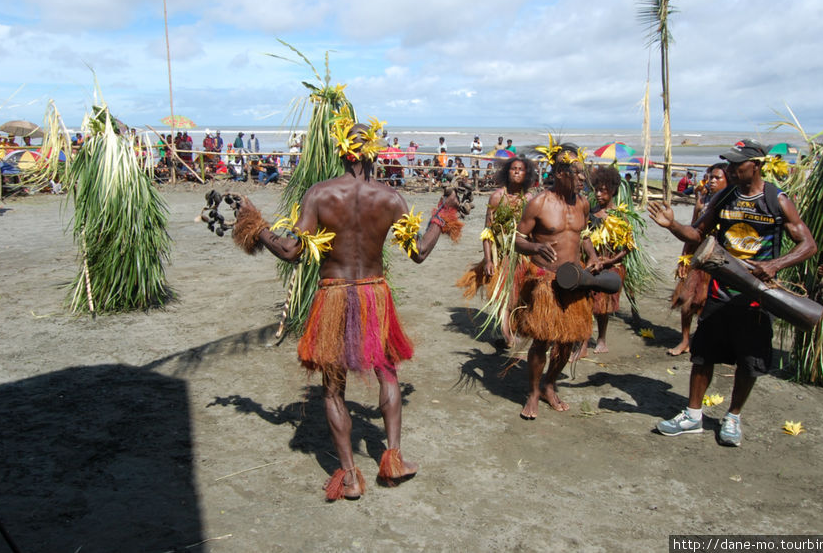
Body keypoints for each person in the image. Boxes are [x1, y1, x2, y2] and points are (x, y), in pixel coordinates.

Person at [228, 117, 463, 500]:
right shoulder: (390, 199)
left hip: (334, 294)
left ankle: (351, 478)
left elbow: (291, 251)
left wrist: (257, 226)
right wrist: (442, 215)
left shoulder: (320, 195)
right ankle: (394, 459)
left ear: (340, 149)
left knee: (334, 389)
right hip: (375, 294)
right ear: (372, 150)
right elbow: (418, 252)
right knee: (388, 374)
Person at [647, 139, 817, 446]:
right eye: (729, 163)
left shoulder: (776, 200)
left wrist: (775, 265)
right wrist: (672, 226)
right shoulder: (725, 196)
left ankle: (733, 417)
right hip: (720, 290)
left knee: (748, 360)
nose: (730, 169)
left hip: (757, 296)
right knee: (702, 355)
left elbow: (808, 245)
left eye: (737, 164)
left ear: (756, 165)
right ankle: (693, 415)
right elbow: (698, 233)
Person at [513, 143, 599, 419]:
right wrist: (535, 248)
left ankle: (550, 385)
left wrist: (594, 256)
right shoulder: (539, 203)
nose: (582, 177)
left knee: (568, 341)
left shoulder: (582, 203)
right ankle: (533, 392)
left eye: (583, 172)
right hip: (546, 282)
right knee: (542, 341)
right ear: (560, 172)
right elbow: (516, 239)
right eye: (577, 172)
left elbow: (583, 236)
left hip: (575, 282)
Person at [457, 156, 538, 345]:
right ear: (507, 172)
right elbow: (488, 232)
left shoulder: (529, 199)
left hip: (524, 257)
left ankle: (513, 328)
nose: (517, 171)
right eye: (513, 168)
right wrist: (488, 260)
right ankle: (506, 333)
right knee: (505, 295)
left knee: (521, 296)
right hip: (502, 255)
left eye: (521, 169)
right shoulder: (497, 197)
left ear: (526, 175)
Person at [668, 163, 729, 356]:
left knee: (708, 304)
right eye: (710, 177)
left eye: (717, 178)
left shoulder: (730, 204)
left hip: (719, 260)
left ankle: (701, 340)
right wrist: (684, 258)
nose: (711, 181)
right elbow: (692, 231)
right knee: (686, 299)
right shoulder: (702, 202)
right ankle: (685, 339)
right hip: (698, 257)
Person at [577, 166, 633, 357]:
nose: (599, 194)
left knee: (603, 307)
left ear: (613, 192)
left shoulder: (620, 216)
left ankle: (601, 338)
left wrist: (609, 261)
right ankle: (583, 342)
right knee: (587, 303)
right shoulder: (591, 214)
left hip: (612, 267)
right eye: (597, 190)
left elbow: (627, 247)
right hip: (592, 265)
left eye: (604, 191)